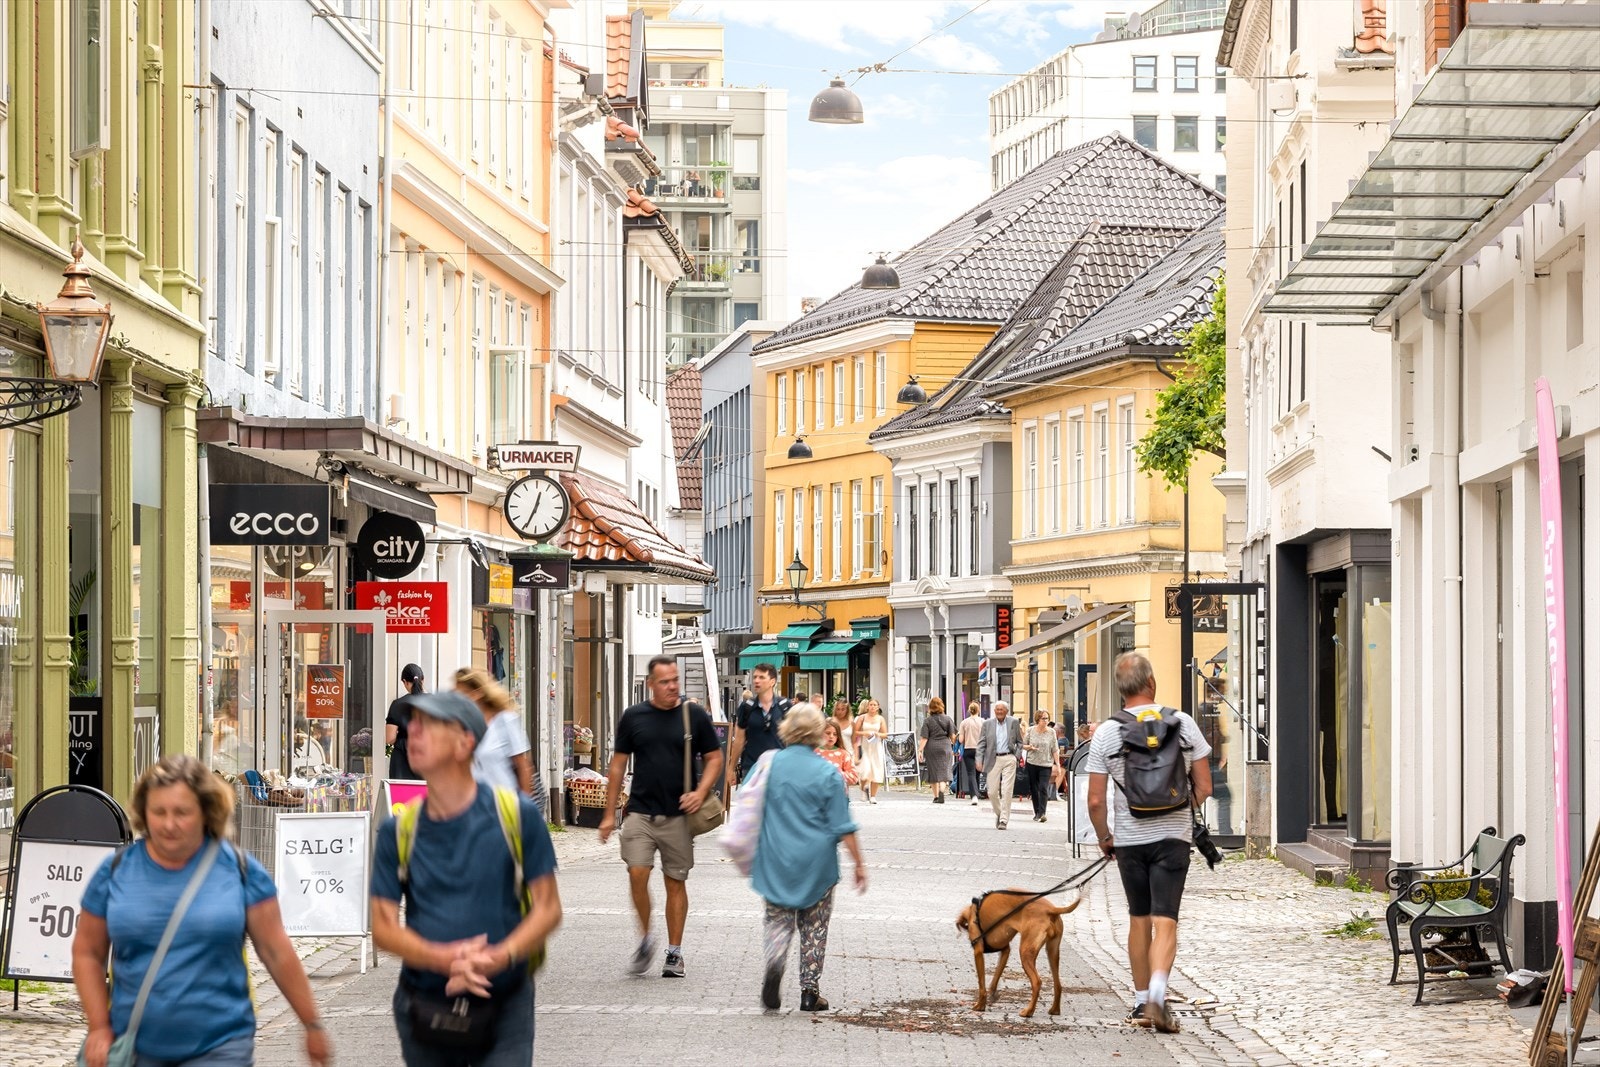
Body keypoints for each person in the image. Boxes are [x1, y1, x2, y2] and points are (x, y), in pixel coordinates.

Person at [73, 755, 329, 1067]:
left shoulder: (241, 871)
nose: (169, 824)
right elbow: (87, 951)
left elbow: (276, 950)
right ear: (143, 813)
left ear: (206, 812)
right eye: (159, 812)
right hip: (136, 1047)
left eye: (182, 812)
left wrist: (311, 1024)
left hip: (220, 1046)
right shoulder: (115, 872)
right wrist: (99, 1026)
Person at [370, 690, 561, 1065]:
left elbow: (549, 908)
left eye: (428, 725)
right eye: (412, 724)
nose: (413, 732)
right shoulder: (399, 831)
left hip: (505, 1001)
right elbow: (382, 927)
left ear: (464, 742)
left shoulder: (516, 816)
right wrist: (447, 959)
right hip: (424, 1001)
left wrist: (497, 957)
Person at [1086, 652, 1212, 1035]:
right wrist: (1177, 808)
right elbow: (1205, 786)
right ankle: (1159, 994)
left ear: (1120, 690)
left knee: (1139, 920)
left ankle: (1142, 1000)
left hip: (1130, 840)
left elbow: (1094, 801)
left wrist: (1106, 838)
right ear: (1152, 683)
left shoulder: (1106, 733)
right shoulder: (1183, 723)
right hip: (1173, 838)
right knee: (1166, 921)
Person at [600, 657, 724, 980]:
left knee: (675, 881)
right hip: (640, 811)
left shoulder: (693, 715)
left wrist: (701, 791)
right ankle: (645, 938)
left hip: (678, 816)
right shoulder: (634, 717)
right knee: (637, 873)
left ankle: (675, 952)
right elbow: (617, 766)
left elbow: (714, 758)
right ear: (651, 684)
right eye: (665, 681)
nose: (673, 686)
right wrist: (608, 814)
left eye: (675, 680)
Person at [750, 704, 868, 1012]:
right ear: (817, 733)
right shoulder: (827, 772)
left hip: (776, 859)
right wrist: (859, 864)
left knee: (778, 920)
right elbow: (843, 824)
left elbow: (748, 805)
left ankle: (775, 961)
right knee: (814, 928)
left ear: (787, 729)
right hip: (818, 864)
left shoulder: (769, 764)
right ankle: (809, 992)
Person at [458, 667, 548, 823]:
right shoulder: (465, 725)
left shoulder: (505, 720)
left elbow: (523, 766)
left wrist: (524, 810)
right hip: (478, 810)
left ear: (477, 693)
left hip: (506, 808)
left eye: (462, 694)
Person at [726, 663, 789, 790]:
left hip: (778, 769)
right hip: (751, 768)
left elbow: (793, 739)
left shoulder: (785, 706)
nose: (756, 681)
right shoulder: (747, 707)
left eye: (761, 677)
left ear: (772, 681)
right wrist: (731, 768)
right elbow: (739, 740)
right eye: (755, 677)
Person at [977, 701, 1023, 830]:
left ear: (1007, 711)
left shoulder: (1013, 722)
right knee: (991, 792)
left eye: (1002, 709)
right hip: (993, 759)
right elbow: (981, 743)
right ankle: (999, 813)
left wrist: (1016, 756)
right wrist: (979, 759)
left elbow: (1020, 742)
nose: (999, 712)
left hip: (1009, 758)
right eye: (997, 709)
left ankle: (1004, 820)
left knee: (1007, 790)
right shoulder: (987, 724)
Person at [1198, 672, 1233, 834]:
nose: (1224, 696)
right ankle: (1226, 834)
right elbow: (1208, 736)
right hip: (1208, 762)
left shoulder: (1209, 709)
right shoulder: (1207, 710)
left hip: (1210, 762)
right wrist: (1221, 738)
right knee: (1224, 797)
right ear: (1213, 692)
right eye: (1222, 692)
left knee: (1201, 797)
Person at [385, 663, 426, 781]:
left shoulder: (398, 704)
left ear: (405, 682)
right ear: (423, 679)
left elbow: (389, 738)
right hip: (428, 755)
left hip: (402, 757)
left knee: (401, 796)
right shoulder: (436, 703)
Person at [1021, 709, 1061, 822]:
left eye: (1047, 718)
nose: (1046, 721)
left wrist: (1057, 765)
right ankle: (1037, 812)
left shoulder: (1051, 732)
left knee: (1043, 787)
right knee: (1034, 788)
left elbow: (1055, 749)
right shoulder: (1030, 730)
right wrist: (1029, 748)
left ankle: (1043, 812)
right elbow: (1023, 745)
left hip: (1046, 764)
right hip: (1032, 762)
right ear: (1038, 719)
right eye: (1043, 718)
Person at [917, 697, 955, 804]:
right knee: (944, 770)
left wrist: (920, 751)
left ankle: (936, 796)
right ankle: (942, 791)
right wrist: (955, 745)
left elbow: (924, 738)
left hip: (932, 747)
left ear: (930, 707)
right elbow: (952, 736)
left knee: (933, 772)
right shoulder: (948, 719)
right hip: (945, 747)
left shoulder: (927, 721)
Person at [853, 698, 887, 804]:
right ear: (867, 706)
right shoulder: (862, 718)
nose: (872, 707)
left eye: (874, 705)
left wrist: (878, 734)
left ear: (878, 707)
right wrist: (865, 733)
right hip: (865, 747)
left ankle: (873, 796)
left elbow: (885, 734)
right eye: (870, 705)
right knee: (865, 770)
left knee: (876, 770)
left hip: (876, 747)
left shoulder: (880, 719)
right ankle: (863, 789)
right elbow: (855, 732)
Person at [816, 720, 859, 790]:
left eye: (835, 734)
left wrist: (837, 774)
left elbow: (854, 778)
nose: (831, 736)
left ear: (838, 736)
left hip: (839, 796)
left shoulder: (844, 754)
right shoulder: (814, 753)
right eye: (828, 733)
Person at [958, 702, 983, 803]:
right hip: (980, 750)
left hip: (968, 749)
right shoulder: (983, 722)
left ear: (969, 710)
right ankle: (977, 793)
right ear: (978, 710)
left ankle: (974, 795)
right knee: (977, 773)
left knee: (970, 773)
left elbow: (960, 740)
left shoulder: (964, 722)